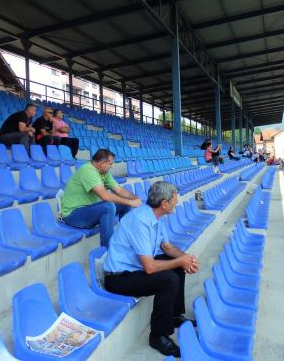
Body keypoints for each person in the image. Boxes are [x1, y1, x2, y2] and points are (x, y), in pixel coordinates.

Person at [103, 181, 199, 357]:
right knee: (168, 279)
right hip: (118, 278)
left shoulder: (156, 217)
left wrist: (187, 258)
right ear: (164, 203)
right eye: (174, 199)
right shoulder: (140, 220)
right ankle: (158, 335)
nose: (177, 202)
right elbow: (150, 267)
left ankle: (173, 315)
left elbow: (167, 247)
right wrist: (180, 261)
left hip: (135, 269)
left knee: (175, 261)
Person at [60, 148, 141, 247]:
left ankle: (126, 240)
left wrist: (135, 199)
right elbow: (104, 196)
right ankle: (108, 250)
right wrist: (129, 202)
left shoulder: (103, 172)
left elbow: (119, 190)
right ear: (102, 163)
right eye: (110, 164)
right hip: (73, 215)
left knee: (123, 205)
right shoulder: (88, 171)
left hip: (87, 210)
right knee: (108, 207)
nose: (111, 166)